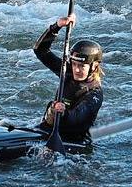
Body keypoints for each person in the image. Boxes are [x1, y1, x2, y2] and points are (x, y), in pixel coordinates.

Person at [32, 13, 104, 146]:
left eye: (82, 66)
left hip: (72, 142)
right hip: (48, 131)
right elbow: (40, 50)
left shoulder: (95, 94)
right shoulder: (68, 72)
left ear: (94, 66)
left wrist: (63, 112)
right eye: (75, 64)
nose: (76, 70)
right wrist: (56, 26)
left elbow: (76, 119)